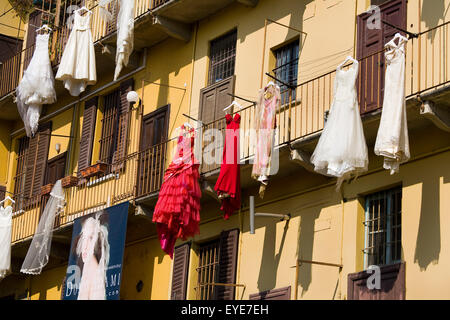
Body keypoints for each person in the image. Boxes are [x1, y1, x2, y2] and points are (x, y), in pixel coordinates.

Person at [73, 211, 109, 300]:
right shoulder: (87, 273)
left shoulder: (97, 277)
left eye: (91, 238)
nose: (84, 246)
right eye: (84, 238)